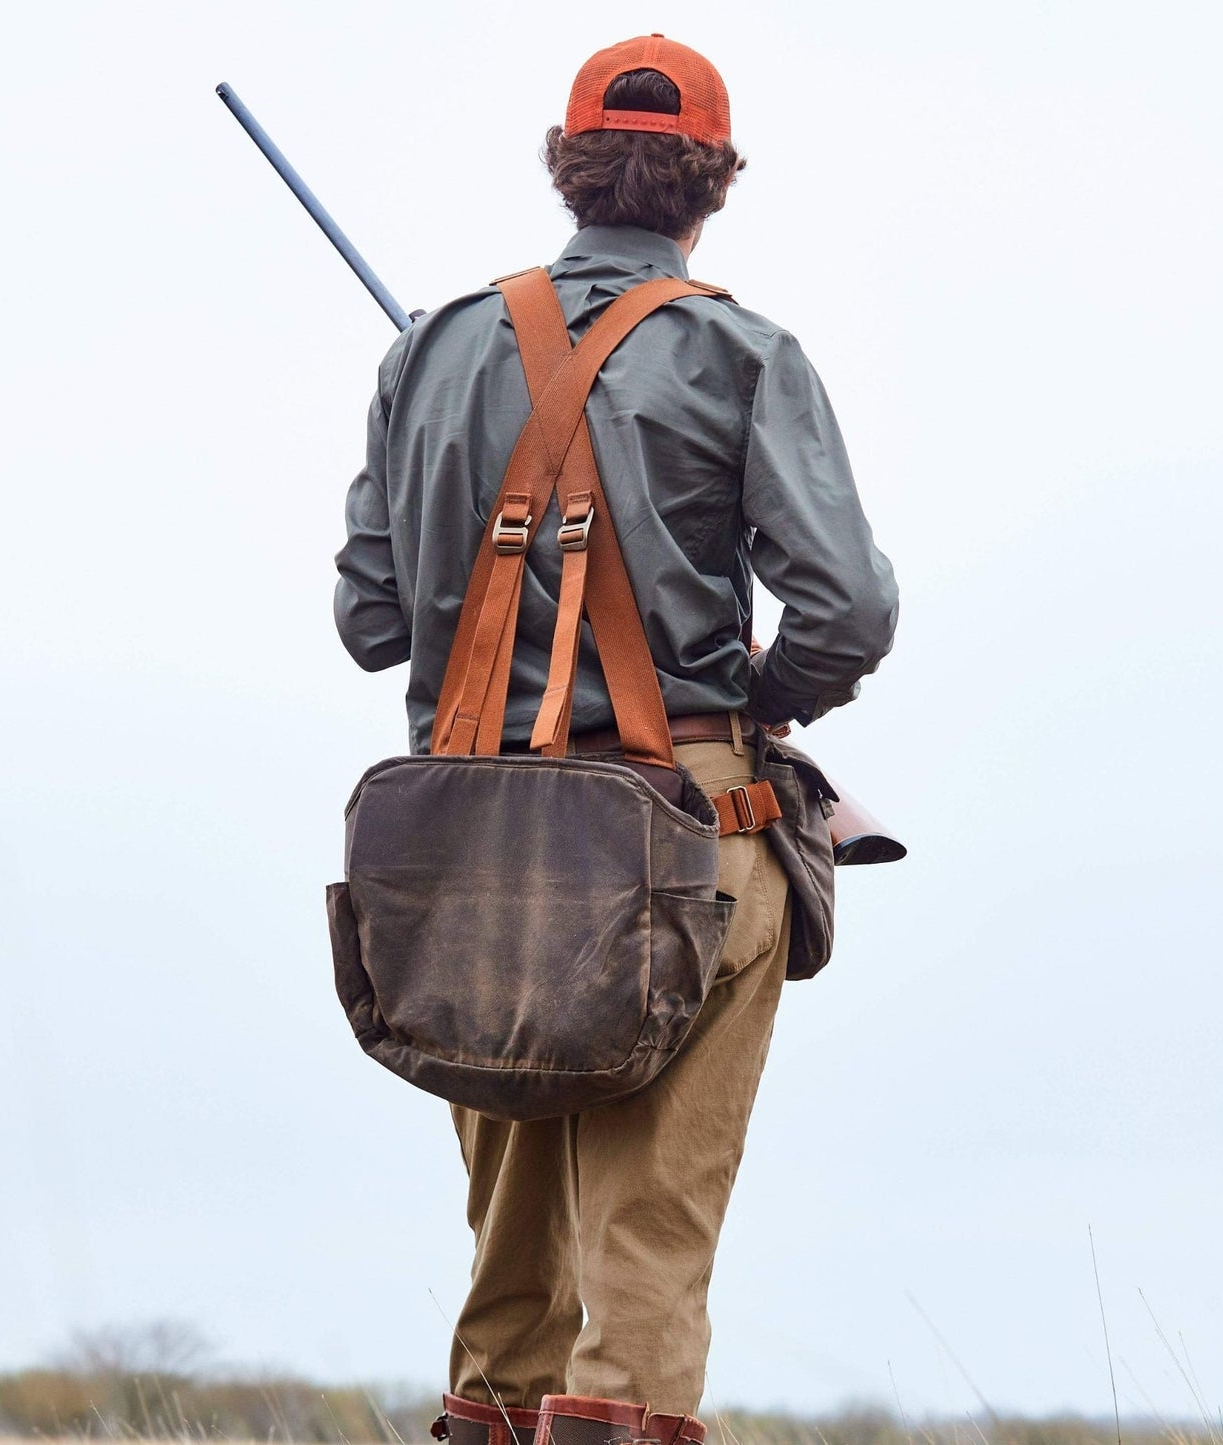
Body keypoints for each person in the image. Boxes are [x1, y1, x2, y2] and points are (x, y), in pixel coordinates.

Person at [333, 33, 898, 1445]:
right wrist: (766, 703)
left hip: (470, 849)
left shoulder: (430, 349)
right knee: (645, 1231)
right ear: (708, 184)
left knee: (508, 1255)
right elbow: (847, 606)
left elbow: (366, 618)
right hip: (684, 823)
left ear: (567, 166)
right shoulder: (739, 350)